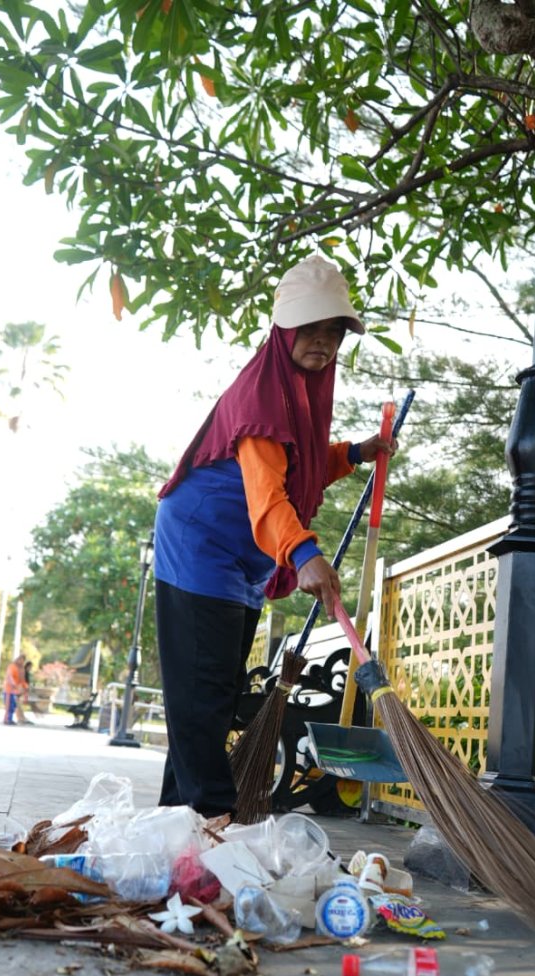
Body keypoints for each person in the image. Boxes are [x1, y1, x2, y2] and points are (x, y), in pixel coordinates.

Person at [152, 254, 394, 818]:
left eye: (333, 330)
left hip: (244, 556)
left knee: (212, 698)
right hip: (201, 543)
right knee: (203, 692)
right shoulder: (262, 399)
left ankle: (174, 819)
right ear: (282, 331)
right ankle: (214, 819)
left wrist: (355, 453)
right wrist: (305, 553)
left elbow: (301, 466)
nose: (323, 341)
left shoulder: (303, 397)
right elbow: (268, 491)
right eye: (309, 327)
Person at [2, 654, 27, 725]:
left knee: (13, 705)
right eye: (20, 660)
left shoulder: (21, 669)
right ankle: (7, 719)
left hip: (15, 690)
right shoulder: (12, 666)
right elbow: (9, 676)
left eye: (23, 660)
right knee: (9, 705)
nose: (21, 662)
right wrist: (13, 684)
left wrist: (24, 687)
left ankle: (9, 718)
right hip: (9, 689)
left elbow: (22, 680)